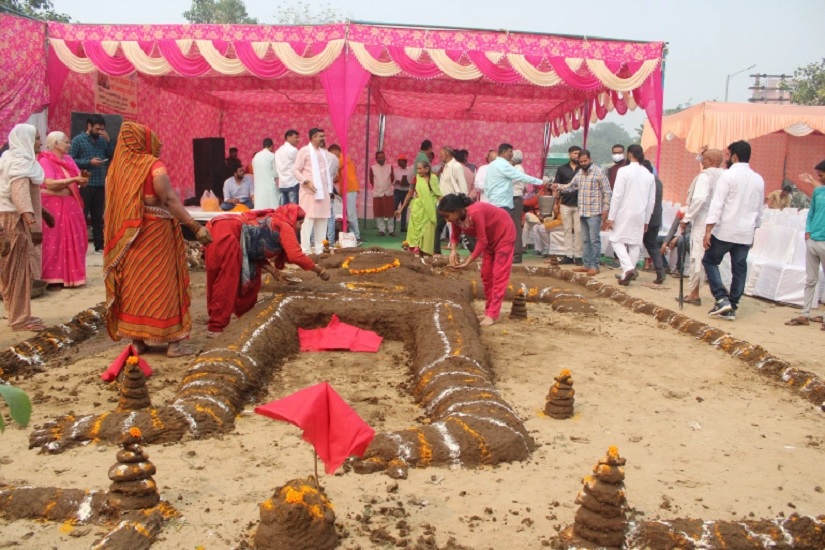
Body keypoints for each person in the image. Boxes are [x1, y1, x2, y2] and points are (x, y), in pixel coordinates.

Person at [104, 121, 212, 357]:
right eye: (152, 138)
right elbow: (170, 200)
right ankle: (173, 344)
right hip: (156, 234)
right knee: (163, 283)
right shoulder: (153, 165)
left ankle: (138, 342)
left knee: (136, 286)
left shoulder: (116, 170)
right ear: (141, 141)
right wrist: (195, 227)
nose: (159, 143)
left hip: (130, 238)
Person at [205, 205, 330, 337]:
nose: (299, 227)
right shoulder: (285, 225)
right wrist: (319, 270)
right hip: (228, 232)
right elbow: (295, 255)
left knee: (248, 279)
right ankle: (216, 328)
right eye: (299, 223)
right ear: (292, 218)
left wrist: (274, 272)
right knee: (226, 281)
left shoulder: (273, 220)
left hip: (222, 228)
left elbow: (254, 251)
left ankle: (244, 317)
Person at [702, 140, 765, 321]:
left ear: (735, 156)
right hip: (745, 232)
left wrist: (708, 230)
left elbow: (717, 204)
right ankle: (732, 305)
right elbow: (760, 210)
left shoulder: (728, 176)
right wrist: (754, 230)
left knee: (710, 260)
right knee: (739, 269)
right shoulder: (758, 179)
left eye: (728, 155)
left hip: (726, 230)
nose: (726, 159)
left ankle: (721, 298)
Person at [0, 124, 54, 332]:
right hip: (16, 222)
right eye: (37, 138)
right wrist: (32, 225)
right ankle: (20, 320)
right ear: (26, 141)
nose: (40, 142)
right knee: (19, 271)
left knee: (9, 270)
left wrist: (44, 213)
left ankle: (13, 312)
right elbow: (20, 195)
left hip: (8, 218)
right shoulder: (21, 163)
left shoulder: (9, 160)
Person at [438, 193, 515, 327]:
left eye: (447, 216)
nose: (446, 220)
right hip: (490, 241)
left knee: (499, 275)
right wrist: (453, 251)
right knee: (486, 275)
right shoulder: (456, 219)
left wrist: (468, 261)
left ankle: (492, 314)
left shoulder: (475, 212)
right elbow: (455, 236)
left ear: (457, 211)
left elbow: (482, 240)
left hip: (504, 235)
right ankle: (488, 310)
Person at [37, 131, 88, 288]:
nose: (68, 145)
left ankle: (73, 276)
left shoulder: (68, 159)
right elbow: (50, 183)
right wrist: (73, 179)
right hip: (53, 205)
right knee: (54, 239)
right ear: (56, 144)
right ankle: (53, 278)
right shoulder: (45, 160)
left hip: (71, 204)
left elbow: (78, 180)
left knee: (77, 238)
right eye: (66, 142)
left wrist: (82, 180)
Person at [553, 149, 612, 276]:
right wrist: (557, 186)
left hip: (594, 212)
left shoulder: (598, 172)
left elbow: (607, 191)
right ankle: (587, 264)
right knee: (585, 239)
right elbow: (571, 186)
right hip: (583, 211)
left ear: (590, 159)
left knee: (594, 240)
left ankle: (595, 266)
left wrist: (606, 209)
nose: (583, 163)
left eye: (585, 161)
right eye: (581, 162)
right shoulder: (580, 173)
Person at [605, 145, 655, 285]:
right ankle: (627, 274)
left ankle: (628, 268)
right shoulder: (649, 175)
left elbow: (617, 195)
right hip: (640, 213)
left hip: (624, 211)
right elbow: (651, 200)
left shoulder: (624, 171)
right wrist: (647, 220)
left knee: (615, 239)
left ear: (629, 154)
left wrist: (611, 217)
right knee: (634, 243)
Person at [484, 143, 543, 264]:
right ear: (505, 152)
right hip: (506, 202)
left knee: (500, 231)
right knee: (511, 230)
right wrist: (542, 182)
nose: (512, 154)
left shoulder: (491, 165)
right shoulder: (504, 165)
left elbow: (487, 186)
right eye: (511, 151)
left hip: (496, 202)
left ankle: (501, 255)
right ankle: (512, 255)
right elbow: (521, 177)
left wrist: (491, 198)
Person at [680, 149, 724, 304]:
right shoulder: (725, 175)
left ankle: (694, 293)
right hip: (720, 223)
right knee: (713, 259)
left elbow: (699, 199)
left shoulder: (705, 176)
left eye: (704, 159)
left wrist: (687, 218)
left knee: (697, 257)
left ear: (711, 160)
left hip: (703, 221)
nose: (701, 162)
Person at [786, 160, 825, 328]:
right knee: (811, 279)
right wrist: (808, 231)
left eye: (821, 174)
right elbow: (811, 213)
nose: (819, 177)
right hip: (813, 239)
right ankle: (805, 313)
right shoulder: (818, 192)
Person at [70, 114, 114, 254]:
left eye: (102, 129)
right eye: (97, 129)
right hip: (85, 184)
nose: (99, 132)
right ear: (89, 126)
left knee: (97, 216)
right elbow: (71, 160)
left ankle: (99, 246)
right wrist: (89, 162)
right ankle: (79, 246)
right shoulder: (78, 140)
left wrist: (108, 141)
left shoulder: (102, 140)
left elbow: (112, 155)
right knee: (81, 215)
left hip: (100, 183)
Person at [294, 128, 334, 255]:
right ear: (313, 137)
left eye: (323, 136)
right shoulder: (304, 151)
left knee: (322, 221)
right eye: (320, 136)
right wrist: (306, 181)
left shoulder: (324, 153)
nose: (323, 138)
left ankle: (319, 251)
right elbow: (295, 170)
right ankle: (305, 251)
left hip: (323, 193)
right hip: (309, 193)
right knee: (307, 222)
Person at [396, 159, 442, 256]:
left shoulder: (433, 178)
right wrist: (401, 209)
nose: (418, 171)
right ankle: (414, 249)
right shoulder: (415, 178)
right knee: (414, 231)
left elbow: (438, 194)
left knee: (428, 230)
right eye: (417, 169)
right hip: (417, 209)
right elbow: (409, 194)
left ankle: (425, 251)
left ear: (427, 169)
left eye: (420, 169)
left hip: (429, 210)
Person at [433, 147, 468, 256]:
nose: (440, 156)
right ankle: (436, 251)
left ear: (447, 154)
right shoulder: (445, 167)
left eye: (441, 154)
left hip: (453, 203)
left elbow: (463, 186)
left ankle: (473, 251)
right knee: (438, 227)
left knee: (461, 228)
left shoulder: (456, 166)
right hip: (443, 202)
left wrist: (461, 202)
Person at [553, 145, 582, 265]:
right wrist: (555, 203)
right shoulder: (562, 169)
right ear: (569, 154)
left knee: (579, 231)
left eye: (578, 153)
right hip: (565, 203)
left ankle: (578, 256)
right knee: (567, 230)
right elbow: (556, 186)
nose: (577, 155)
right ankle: (568, 255)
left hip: (580, 204)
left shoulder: (583, 168)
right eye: (575, 153)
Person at [640, 160, 667, 284]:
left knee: (632, 243)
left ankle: (630, 271)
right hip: (656, 217)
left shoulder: (645, 181)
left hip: (645, 217)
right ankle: (660, 270)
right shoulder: (658, 181)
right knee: (652, 244)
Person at [328, 144, 361, 244]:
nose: (331, 156)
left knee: (351, 213)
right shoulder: (342, 160)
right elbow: (337, 178)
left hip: (350, 188)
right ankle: (351, 235)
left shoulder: (343, 157)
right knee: (346, 214)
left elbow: (334, 168)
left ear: (336, 151)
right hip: (345, 189)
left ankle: (356, 236)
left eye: (332, 153)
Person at [370, 151, 395, 236]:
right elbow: (371, 180)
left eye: (382, 157)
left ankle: (391, 230)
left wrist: (386, 186)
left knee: (390, 213)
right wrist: (378, 187)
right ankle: (381, 230)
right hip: (378, 193)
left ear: (385, 157)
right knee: (378, 212)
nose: (381, 159)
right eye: (379, 158)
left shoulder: (390, 167)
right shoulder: (373, 168)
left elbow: (392, 179)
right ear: (376, 159)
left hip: (388, 192)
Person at [252, 137, 279, 210]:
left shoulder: (256, 157)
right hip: (269, 187)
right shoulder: (272, 156)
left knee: (260, 210)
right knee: (272, 209)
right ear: (272, 146)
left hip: (258, 188)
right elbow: (275, 173)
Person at [276, 129, 300, 205]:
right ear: (288, 137)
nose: (297, 140)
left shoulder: (278, 150)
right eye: (295, 137)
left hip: (282, 183)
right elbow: (299, 166)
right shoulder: (293, 150)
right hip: (292, 182)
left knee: (284, 210)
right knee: (293, 210)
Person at [392, 154, 413, 233]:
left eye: (400, 161)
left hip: (406, 191)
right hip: (397, 190)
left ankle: (403, 227)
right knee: (394, 208)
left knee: (404, 209)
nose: (398, 162)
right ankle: (392, 226)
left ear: (405, 161)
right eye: (398, 161)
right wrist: (396, 182)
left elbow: (412, 180)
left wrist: (407, 183)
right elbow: (392, 180)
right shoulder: (395, 170)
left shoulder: (410, 170)